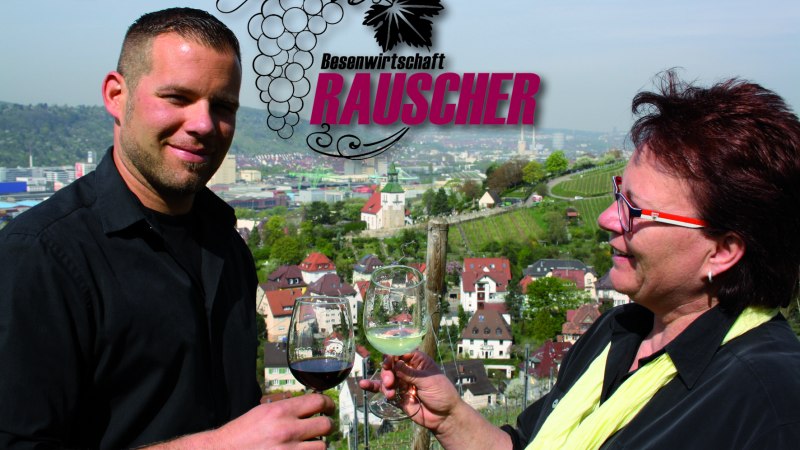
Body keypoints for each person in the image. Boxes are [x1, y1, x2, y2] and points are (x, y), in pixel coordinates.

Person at [361, 70, 800, 449]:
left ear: (722, 251)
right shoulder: (621, 329)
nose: (608, 219)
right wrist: (450, 415)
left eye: (635, 209)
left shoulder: (768, 401)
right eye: (617, 195)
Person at [0, 8, 333, 448]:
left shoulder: (226, 244)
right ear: (117, 95)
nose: (202, 125)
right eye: (177, 97)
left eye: (223, 106)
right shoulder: (40, 256)